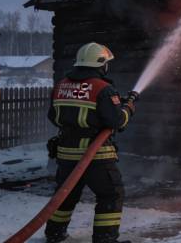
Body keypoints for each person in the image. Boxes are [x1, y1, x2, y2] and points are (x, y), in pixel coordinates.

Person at [45, 42, 136, 243]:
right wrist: (127, 109)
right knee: (111, 194)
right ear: (101, 64)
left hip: (66, 154)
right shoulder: (103, 89)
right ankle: (105, 239)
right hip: (96, 156)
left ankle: (54, 234)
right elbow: (116, 121)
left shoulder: (61, 85)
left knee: (65, 195)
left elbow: (53, 116)